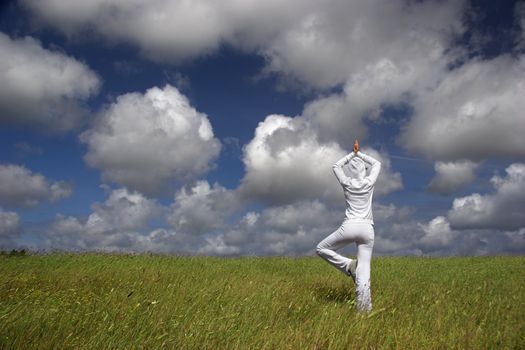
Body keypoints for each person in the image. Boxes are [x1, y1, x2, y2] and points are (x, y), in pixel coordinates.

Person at [316, 139, 381, 312]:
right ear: (363, 170)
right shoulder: (369, 183)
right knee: (365, 269)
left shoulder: (346, 182)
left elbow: (336, 166)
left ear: (351, 171)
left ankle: (347, 265)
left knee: (321, 248)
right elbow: (376, 163)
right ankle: (364, 310)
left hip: (349, 226)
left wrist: (351, 154)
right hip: (367, 229)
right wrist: (360, 154)